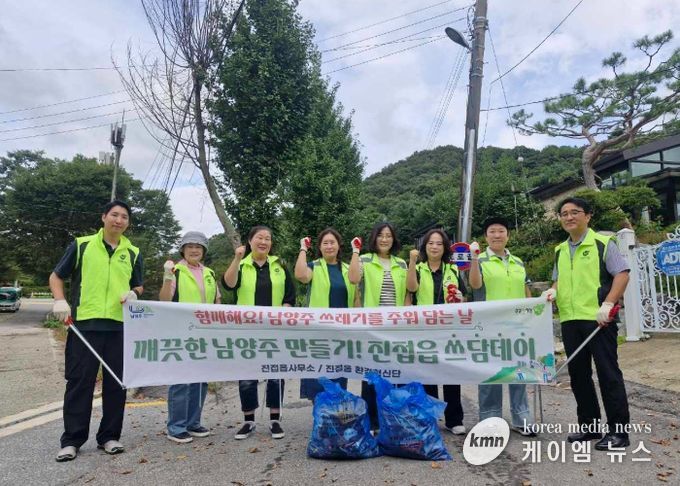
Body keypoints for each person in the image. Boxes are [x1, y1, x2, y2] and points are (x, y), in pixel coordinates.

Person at [50, 200, 143, 462]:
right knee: (80, 383)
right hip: (84, 326)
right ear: (103, 217)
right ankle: (72, 440)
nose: (119, 220)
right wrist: (60, 300)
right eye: (114, 215)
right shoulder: (82, 245)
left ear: (128, 223)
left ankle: (109, 437)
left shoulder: (133, 252)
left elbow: (138, 285)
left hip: (119, 327)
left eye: (124, 217)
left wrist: (133, 293)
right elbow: (56, 276)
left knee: (116, 383)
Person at [550, 197, 631, 450]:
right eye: (564, 213)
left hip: (599, 320)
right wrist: (552, 291)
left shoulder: (603, 243)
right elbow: (558, 280)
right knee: (579, 376)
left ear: (588, 216)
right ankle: (590, 427)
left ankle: (619, 433)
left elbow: (622, 274)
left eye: (575, 212)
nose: (569, 217)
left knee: (608, 374)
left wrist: (608, 303)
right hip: (570, 320)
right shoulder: (560, 250)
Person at [222, 226, 296, 440]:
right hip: (247, 330)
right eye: (259, 238)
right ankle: (248, 420)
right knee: (247, 375)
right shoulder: (242, 264)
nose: (264, 242)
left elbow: (290, 296)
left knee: (275, 374)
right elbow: (228, 284)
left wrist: (284, 309)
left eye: (267, 239)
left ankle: (275, 419)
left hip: (275, 329)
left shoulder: (279, 265)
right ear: (250, 241)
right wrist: (237, 259)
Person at [469, 217, 536, 437]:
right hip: (489, 327)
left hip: (518, 326)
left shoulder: (518, 262)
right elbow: (475, 284)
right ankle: (490, 420)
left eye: (501, 231)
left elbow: (525, 291)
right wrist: (474, 259)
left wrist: (533, 314)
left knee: (519, 372)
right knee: (491, 374)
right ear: (486, 236)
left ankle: (521, 417)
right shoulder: (480, 259)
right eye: (492, 231)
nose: (497, 235)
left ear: (508, 235)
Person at [159, 231, 220, 444]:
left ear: (204, 250)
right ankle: (176, 426)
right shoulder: (175, 270)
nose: (194, 250)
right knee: (181, 380)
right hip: (180, 331)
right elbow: (164, 300)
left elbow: (217, 302)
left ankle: (193, 423)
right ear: (183, 249)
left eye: (198, 247)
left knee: (200, 380)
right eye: (190, 246)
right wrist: (167, 277)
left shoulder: (210, 273)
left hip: (204, 333)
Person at [406, 228, 467, 435]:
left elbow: (464, 297)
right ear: (424, 246)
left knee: (451, 372)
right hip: (424, 329)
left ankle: (454, 419)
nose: (435, 247)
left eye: (439, 243)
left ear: (445, 247)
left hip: (449, 329)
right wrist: (412, 262)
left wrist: (460, 297)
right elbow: (411, 289)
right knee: (428, 375)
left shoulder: (453, 269)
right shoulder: (417, 268)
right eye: (431, 243)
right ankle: (429, 418)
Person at [348, 222, 408, 431]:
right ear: (374, 238)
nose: (385, 239)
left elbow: (408, 294)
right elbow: (353, 279)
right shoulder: (364, 259)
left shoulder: (401, 263)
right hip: (372, 326)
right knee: (371, 376)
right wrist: (355, 252)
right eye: (381, 235)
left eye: (388, 235)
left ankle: (392, 421)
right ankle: (372, 422)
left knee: (395, 373)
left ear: (394, 239)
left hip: (395, 327)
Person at [295, 228, 356, 401]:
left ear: (339, 245)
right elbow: (300, 275)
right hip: (318, 331)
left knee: (339, 371)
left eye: (332, 242)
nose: (329, 246)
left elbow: (356, 296)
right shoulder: (314, 266)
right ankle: (320, 409)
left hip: (342, 331)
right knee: (318, 372)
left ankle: (336, 409)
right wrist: (303, 248)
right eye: (325, 243)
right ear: (320, 247)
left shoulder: (347, 268)